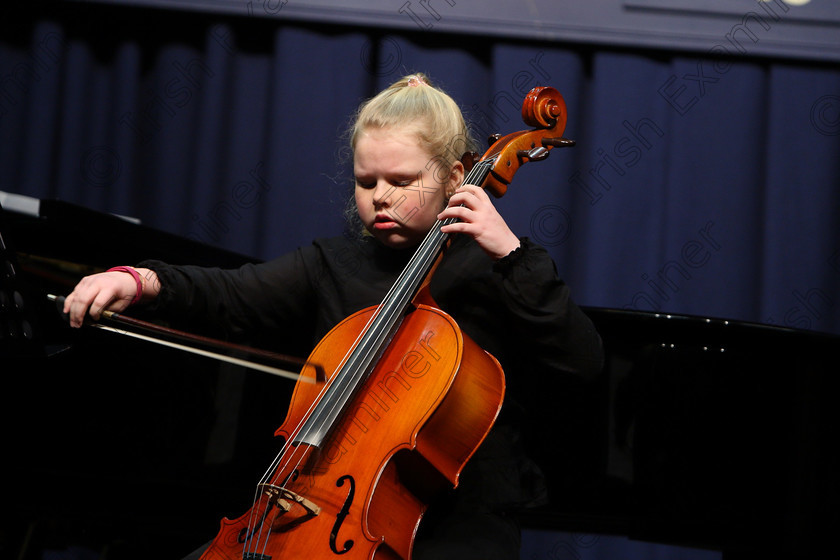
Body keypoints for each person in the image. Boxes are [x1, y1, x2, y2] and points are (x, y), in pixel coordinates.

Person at [63, 73, 604, 560]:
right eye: (366, 183)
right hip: (323, 507)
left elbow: (582, 361)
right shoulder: (332, 263)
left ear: (456, 175)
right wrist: (141, 279)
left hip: (458, 524)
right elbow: (230, 292)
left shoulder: (502, 267)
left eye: (401, 180)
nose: (380, 198)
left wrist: (509, 254)